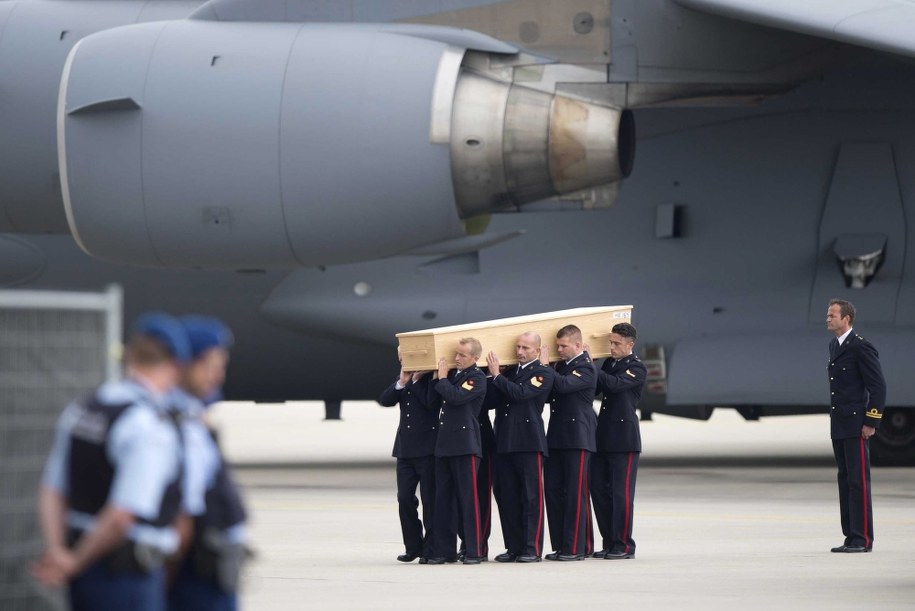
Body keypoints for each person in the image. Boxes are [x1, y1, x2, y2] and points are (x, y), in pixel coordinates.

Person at [32, 313, 190, 611]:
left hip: (83, 564)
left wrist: (59, 553)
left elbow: (52, 489)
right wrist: (75, 563)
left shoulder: (84, 408)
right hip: (125, 576)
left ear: (130, 355)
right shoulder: (146, 424)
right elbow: (121, 515)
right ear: (175, 366)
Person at [168, 316, 250, 610]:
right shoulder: (175, 421)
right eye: (210, 365)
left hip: (215, 570)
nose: (218, 376)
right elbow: (184, 514)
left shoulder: (193, 414)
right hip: (196, 573)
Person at [485, 332, 554, 563]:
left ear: (537, 350)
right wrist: (489, 377)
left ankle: (531, 548)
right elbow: (490, 400)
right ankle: (513, 546)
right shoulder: (511, 372)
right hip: (504, 440)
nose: (520, 352)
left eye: (525, 348)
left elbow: (521, 394)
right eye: (518, 347)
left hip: (528, 442)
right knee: (507, 496)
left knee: (531, 496)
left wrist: (497, 376)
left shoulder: (542, 373)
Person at [825, 299, 886, 553]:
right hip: (840, 423)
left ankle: (863, 539)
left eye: (832, 315)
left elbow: (878, 386)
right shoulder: (835, 345)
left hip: (856, 424)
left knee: (858, 482)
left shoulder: (861, 347)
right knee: (845, 479)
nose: (827, 319)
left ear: (846, 319)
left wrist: (871, 421)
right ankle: (850, 536)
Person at [425, 338, 487, 565]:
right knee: (444, 500)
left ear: (475, 358)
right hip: (445, 446)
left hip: (465, 446)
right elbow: (433, 401)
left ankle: (474, 550)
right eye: (456, 354)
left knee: (468, 500)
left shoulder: (477, 378)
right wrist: (435, 379)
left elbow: (456, 397)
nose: (457, 358)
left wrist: (442, 379)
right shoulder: (452, 377)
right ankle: (444, 550)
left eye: (462, 355)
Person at [542, 325, 597, 561]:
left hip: (577, 438)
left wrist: (544, 367)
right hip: (557, 436)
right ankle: (563, 545)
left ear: (578, 345)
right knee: (554, 491)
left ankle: (575, 548)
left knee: (575, 493)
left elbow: (564, 386)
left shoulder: (585, 366)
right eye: (557, 346)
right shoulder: (561, 367)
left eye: (563, 346)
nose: (559, 349)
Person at [591, 322, 645, 560]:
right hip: (603, 436)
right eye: (610, 343)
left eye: (616, 343)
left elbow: (613, 385)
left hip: (624, 440)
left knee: (621, 494)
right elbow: (594, 388)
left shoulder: (636, 367)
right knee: (601, 492)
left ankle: (624, 545)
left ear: (630, 344)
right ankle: (609, 541)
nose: (611, 347)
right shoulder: (609, 364)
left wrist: (589, 366)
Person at [378, 348, 436, 563]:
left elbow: (431, 403)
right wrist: (402, 383)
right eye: (401, 358)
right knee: (404, 498)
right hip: (405, 449)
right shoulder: (404, 379)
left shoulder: (432, 378)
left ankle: (431, 548)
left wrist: (416, 382)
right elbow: (385, 400)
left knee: (430, 500)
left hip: (428, 449)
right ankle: (413, 545)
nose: (404, 361)